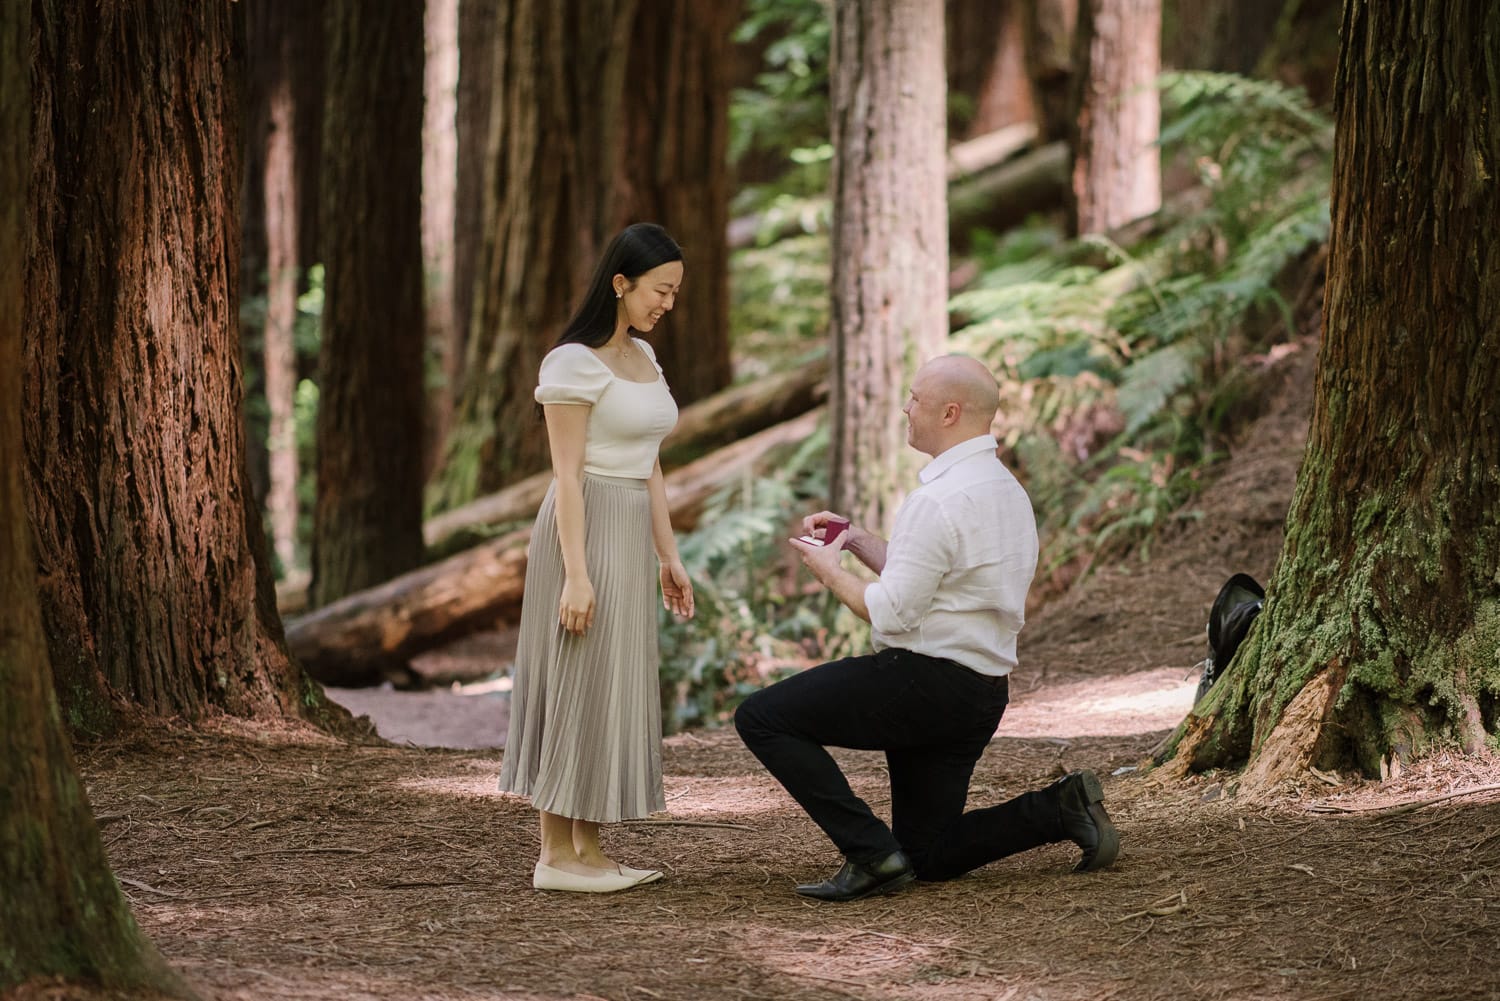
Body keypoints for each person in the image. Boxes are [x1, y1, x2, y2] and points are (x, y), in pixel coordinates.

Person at [734, 354, 1119, 902]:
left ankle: (869, 852)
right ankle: (1061, 807)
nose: (906, 409)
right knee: (929, 854)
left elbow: (892, 611)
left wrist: (829, 571)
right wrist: (860, 541)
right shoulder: (1004, 489)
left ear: (950, 412)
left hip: (921, 683)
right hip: (979, 692)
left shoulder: (938, 499)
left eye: (916, 399)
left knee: (762, 717)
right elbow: (936, 581)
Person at [499, 223, 696, 894]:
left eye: (673, 293)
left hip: (629, 524)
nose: (667, 304)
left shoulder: (644, 358)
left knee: (610, 680)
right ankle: (555, 853)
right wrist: (576, 573)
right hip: (579, 528)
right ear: (621, 283)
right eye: (659, 290)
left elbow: (650, 464)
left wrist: (667, 553)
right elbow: (570, 475)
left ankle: (589, 846)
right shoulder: (572, 363)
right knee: (575, 675)